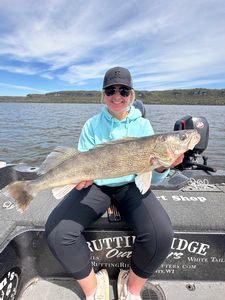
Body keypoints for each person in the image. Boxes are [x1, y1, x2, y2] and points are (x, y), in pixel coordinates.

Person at [45, 66, 183, 300]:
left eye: (124, 91)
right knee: (58, 232)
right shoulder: (91, 125)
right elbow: (82, 165)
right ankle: (94, 288)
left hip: (130, 186)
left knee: (161, 235)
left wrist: (162, 166)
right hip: (97, 185)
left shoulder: (144, 128)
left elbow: (152, 177)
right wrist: (79, 180)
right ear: (103, 94)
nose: (117, 96)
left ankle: (131, 288)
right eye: (111, 90)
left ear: (132, 95)